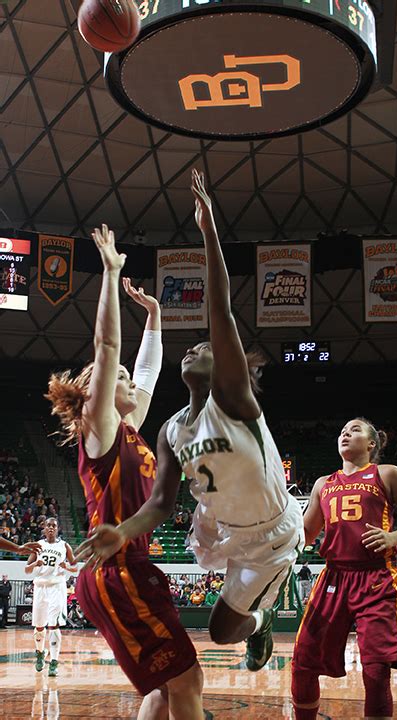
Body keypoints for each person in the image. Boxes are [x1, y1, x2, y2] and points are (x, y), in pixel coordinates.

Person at [76, 172, 304, 673]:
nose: (196, 349)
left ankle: (262, 620)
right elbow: (160, 503)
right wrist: (122, 530)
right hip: (222, 524)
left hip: (270, 532)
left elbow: (218, 308)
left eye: (205, 348)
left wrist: (209, 233)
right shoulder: (170, 429)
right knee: (215, 633)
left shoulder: (235, 399)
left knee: (225, 631)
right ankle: (255, 618)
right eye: (192, 348)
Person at [46, 224, 204, 720]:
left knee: (165, 687)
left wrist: (155, 316)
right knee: (186, 679)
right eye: (119, 378)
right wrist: (111, 275)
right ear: (95, 395)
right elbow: (106, 347)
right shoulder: (101, 431)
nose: (130, 381)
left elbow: (149, 371)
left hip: (127, 566)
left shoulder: (129, 427)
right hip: (115, 571)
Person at [291, 417, 397, 720]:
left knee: (377, 669)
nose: (345, 433)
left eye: (354, 430)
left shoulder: (388, 474)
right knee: (303, 662)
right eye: (341, 431)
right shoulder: (322, 484)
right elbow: (306, 534)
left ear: (371, 444)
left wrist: (393, 536)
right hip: (333, 576)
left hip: (377, 577)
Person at [25, 517, 77, 677]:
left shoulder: (64, 546)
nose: (51, 528)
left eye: (54, 526)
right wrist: (35, 565)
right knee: (39, 626)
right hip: (41, 587)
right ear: (44, 528)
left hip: (57, 587)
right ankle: (40, 653)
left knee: (53, 625)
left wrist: (67, 566)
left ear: (58, 528)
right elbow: (27, 570)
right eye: (48, 525)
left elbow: (75, 567)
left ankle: (54, 662)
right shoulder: (38, 546)